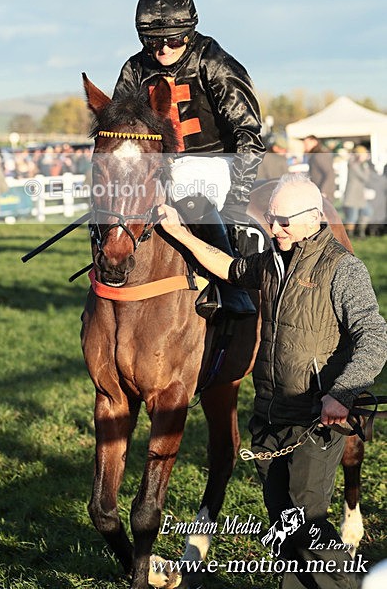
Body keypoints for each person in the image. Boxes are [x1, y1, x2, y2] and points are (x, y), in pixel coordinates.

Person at [158, 173, 387, 588]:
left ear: (314, 218)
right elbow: (228, 268)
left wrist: (342, 393)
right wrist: (180, 234)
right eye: (270, 218)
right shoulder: (271, 263)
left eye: (283, 220)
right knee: (284, 527)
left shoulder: (343, 269)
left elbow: (374, 338)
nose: (272, 228)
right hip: (269, 416)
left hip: (317, 417)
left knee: (306, 521)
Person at [113, 0, 265, 317]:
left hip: (215, 162)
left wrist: (238, 196)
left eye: (174, 39)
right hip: (159, 166)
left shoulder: (215, 63)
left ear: (190, 33)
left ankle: (232, 291)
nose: (163, 49)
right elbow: (118, 129)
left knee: (189, 188)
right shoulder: (135, 69)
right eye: (153, 41)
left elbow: (248, 132)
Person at [343, 146, 372, 238]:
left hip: (359, 195)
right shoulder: (353, 164)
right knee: (352, 217)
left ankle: (360, 232)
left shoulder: (359, 164)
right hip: (352, 195)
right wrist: (366, 167)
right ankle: (349, 236)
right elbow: (365, 178)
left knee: (367, 211)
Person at [301, 135, 336, 203]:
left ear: (314, 142)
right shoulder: (314, 155)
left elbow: (329, 173)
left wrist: (324, 191)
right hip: (318, 192)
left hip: (323, 193)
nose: (305, 146)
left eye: (306, 144)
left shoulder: (319, 155)